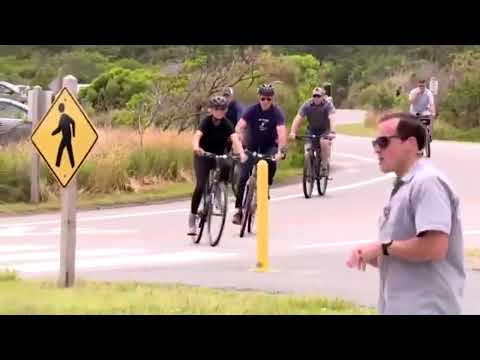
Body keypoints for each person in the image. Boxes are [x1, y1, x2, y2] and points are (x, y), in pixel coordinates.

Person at [346, 112, 465, 315]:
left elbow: (434, 247)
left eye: (383, 142)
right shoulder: (402, 186)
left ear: (410, 143)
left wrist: (383, 247)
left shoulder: (427, 183)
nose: (376, 149)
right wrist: (371, 254)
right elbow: (400, 253)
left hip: (427, 308)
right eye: (375, 142)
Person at [188, 96, 247, 236]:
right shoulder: (206, 122)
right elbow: (197, 136)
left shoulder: (227, 124)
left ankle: (219, 188)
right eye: (216, 109)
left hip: (219, 156)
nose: (219, 111)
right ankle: (192, 218)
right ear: (211, 110)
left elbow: (235, 140)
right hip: (203, 155)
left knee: (227, 164)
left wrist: (242, 154)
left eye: (222, 109)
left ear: (225, 110)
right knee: (200, 186)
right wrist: (196, 147)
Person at [232, 83, 287, 225]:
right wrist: (240, 138)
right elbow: (239, 126)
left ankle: (266, 186)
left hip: (269, 147)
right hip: (252, 146)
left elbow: (281, 132)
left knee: (272, 162)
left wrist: (281, 150)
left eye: (269, 99)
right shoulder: (252, 110)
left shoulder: (277, 113)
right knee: (243, 177)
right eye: (263, 98)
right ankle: (238, 210)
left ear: (272, 99)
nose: (266, 102)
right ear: (259, 98)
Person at [289, 87, 336, 174]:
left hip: (325, 130)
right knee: (307, 149)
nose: (316, 98)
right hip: (312, 130)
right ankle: (310, 172)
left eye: (318, 96)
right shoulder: (307, 104)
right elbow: (298, 118)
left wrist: (332, 132)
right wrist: (293, 131)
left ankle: (324, 166)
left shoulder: (328, 105)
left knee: (324, 142)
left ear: (322, 97)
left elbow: (332, 117)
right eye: (314, 96)